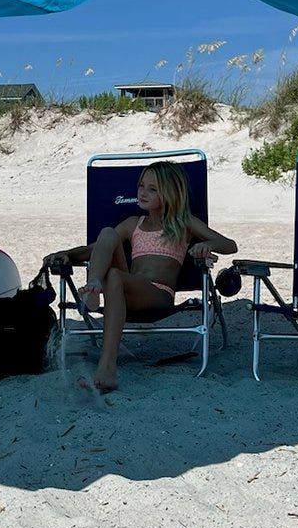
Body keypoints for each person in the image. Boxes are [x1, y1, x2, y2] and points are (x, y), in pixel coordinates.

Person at [43, 160, 237, 392]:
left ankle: (107, 367)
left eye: (152, 189)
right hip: (127, 290)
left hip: (157, 294)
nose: (142, 193)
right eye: (141, 186)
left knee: (114, 275)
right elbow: (95, 248)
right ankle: (94, 283)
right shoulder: (134, 223)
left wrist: (204, 245)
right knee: (107, 234)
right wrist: (66, 254)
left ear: (171, 193)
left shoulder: (183, 223)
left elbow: (229, 245)